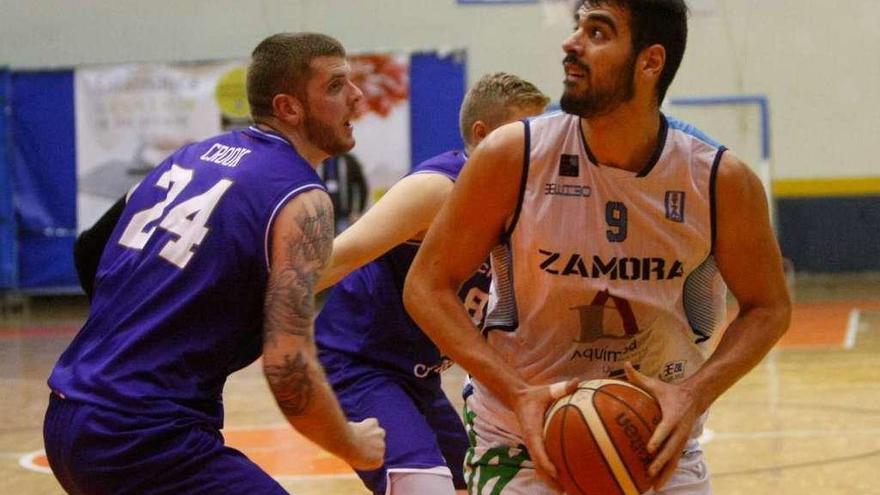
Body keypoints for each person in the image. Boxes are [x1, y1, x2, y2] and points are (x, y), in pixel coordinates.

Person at [403, 2, 792, 494]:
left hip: (653, 438)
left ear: (650, 62)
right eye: (577, 28)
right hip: (520, 437)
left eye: (598, 32)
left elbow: (769, 307)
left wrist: (694, 395)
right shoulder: (512, 156)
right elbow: (425, 286)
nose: (571, 43)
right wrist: (517, 392)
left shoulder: (718, 181)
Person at [44, 32, 385, 495]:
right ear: (288, 108)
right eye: (335, 85)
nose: (357, 94)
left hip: (69, 414)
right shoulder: (303, 198)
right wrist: (352, 443)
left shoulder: (187, 156)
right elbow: (288, 367)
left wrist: (144, 327)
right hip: (144, 436)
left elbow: (89, 249)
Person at [314, 73, 550, 495]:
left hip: (417, 376)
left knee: (469, 487)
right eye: (526, 134)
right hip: (357, 363)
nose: (539, 148)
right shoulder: (437, 189)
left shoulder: (525, 201)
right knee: (426, 489)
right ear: (483, 135)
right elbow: (334, 259)